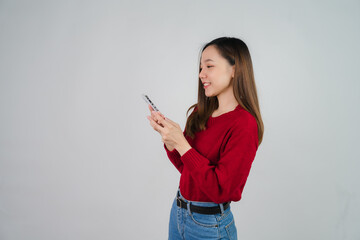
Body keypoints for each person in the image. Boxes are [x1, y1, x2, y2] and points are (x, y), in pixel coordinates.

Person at [146, 36, 264, 240]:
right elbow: (187, 169)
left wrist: (182, 144)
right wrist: (170, 140)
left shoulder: (244, 124)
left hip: (209, 225)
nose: (201, 74)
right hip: (179, 212)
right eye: (200, 68)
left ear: (235, 69)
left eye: (209, 66)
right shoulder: (200, 112)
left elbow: (221, 189)